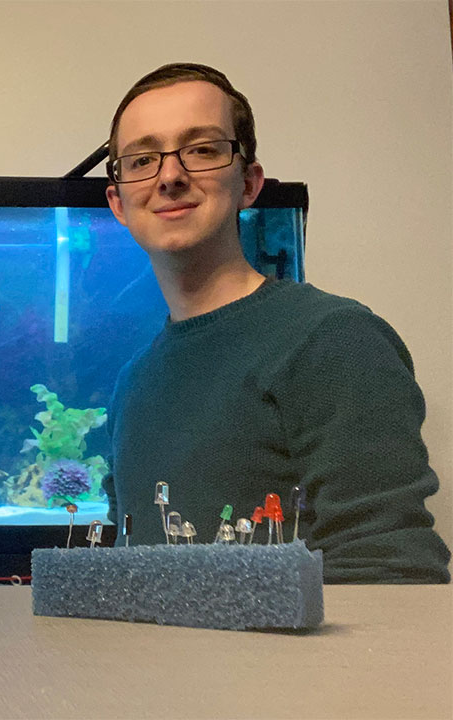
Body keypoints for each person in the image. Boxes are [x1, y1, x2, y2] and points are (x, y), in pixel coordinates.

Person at [100, 62, 450, 583]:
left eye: (201, 149)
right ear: (118, 202)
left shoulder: (332, 339)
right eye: (142, 159)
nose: (170, 176)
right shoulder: (133, 381)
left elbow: (391, 571)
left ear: (249, 183)